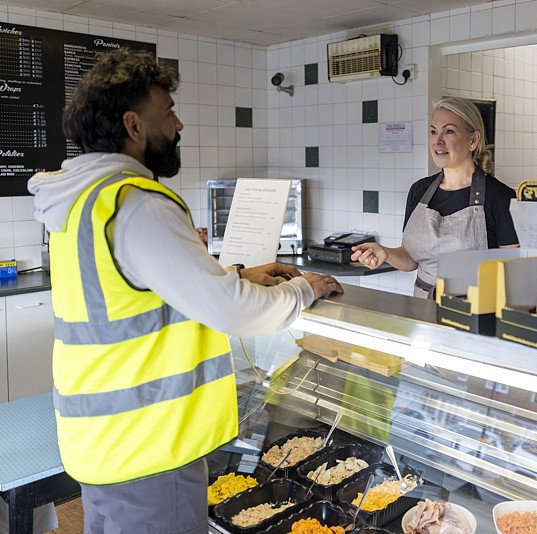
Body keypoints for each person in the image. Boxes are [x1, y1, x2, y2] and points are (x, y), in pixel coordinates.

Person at [27, 48, 342, 534]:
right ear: (134, 126)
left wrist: (233, 273)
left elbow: (144, 292)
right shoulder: (137, 204)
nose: (177, 125)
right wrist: (305, 288)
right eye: (167, 113)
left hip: (103, 444)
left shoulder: (81, 203)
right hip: (151, 448)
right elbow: (233, 312)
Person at [351, 97, 519, 298]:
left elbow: (514, 272)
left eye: (448, 131)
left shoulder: (501, 197)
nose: (437, 141)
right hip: (422, 306)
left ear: (473, 140)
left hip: (474, 311)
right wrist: (385, 253)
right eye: (433, 132)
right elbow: (411, 258)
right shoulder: (419, 191)